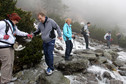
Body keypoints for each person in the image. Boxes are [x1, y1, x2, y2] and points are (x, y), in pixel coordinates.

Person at [0, 13, 32, 84]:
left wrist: (27, 34)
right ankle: (4, 81)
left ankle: (8, 78)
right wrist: (2, 37)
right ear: (12, 18)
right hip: (3, 47)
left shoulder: (13, 26)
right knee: (6, 64)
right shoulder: (3, 23)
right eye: (16, 20)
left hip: (10, 46)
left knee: (10, 63)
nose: (17, 22)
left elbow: (18, 32)